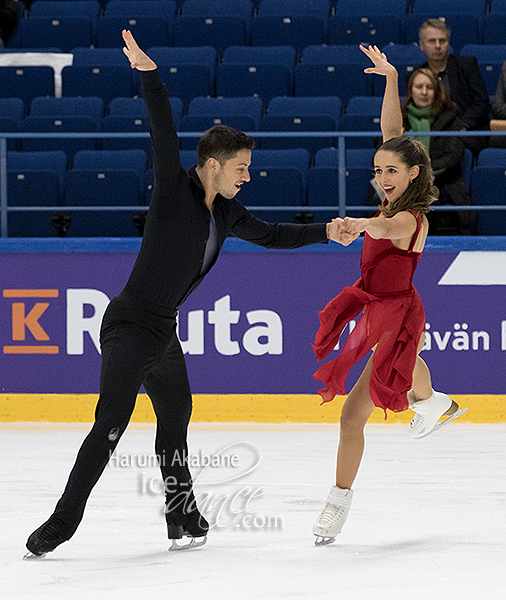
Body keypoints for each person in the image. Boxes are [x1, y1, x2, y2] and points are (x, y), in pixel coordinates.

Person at [25, 30, 352, 559]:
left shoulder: (227, 213)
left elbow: (274, 235)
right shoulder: (174, 190)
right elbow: (163, 130)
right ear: (214, 165)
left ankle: (182, 515)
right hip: (129, 325)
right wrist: (150, 75)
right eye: (241, 167)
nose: (248, 176)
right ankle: (62, 522)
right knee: (110, 425)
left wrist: (326, 233)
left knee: (176, 417)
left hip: (163, 332)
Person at [311, 45, 467, 547]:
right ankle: (436, 402)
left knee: (365, 396)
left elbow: (386, 225)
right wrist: (391, 79)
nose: (382, 177)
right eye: (378, 171)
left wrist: (357, 223)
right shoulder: (395, 187)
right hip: (383, 306)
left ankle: (337, 503)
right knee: (366, 400)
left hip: (393, 311)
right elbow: (393, 133)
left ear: (414, 174)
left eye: (391, 172)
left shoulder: (407, 217)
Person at [402, 67, 476, 235]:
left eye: (429, 87)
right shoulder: (399, 116)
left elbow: (453, 158)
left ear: (437, 91)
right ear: (410, 90)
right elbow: (381, 153)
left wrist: (420, 174)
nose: (424, 92)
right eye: (419, 87)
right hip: (402, 182)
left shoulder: (450, 117)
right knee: (375, 202)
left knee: (428, 206)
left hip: (441, 182)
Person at [417, 19, 490, 156]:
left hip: (465, 132)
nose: (438, 46)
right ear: (422, 45)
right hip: (431, 134)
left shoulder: (467, 66)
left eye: (442, 41)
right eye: (432, 41)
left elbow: (482, 103)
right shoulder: (416, 75)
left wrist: (462, 126)